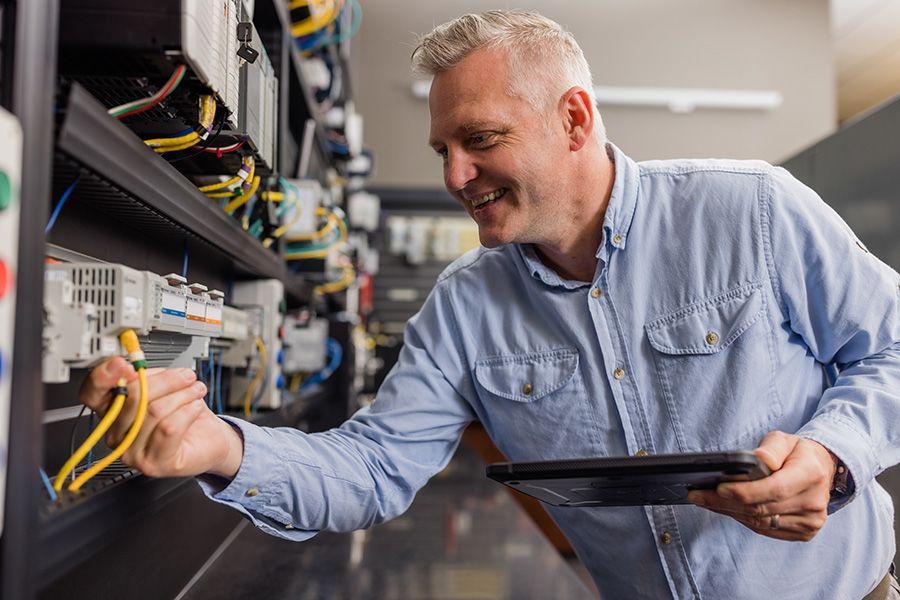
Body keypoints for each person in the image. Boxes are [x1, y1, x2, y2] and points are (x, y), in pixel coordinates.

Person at [80, 10, 900, 599]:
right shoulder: (464, 308)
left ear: (573, 119)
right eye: (444, 150)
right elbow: (373, 470)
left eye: (481, 140)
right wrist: (220, 444)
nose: (454, 178)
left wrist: (830, 454)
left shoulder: (750, 211)